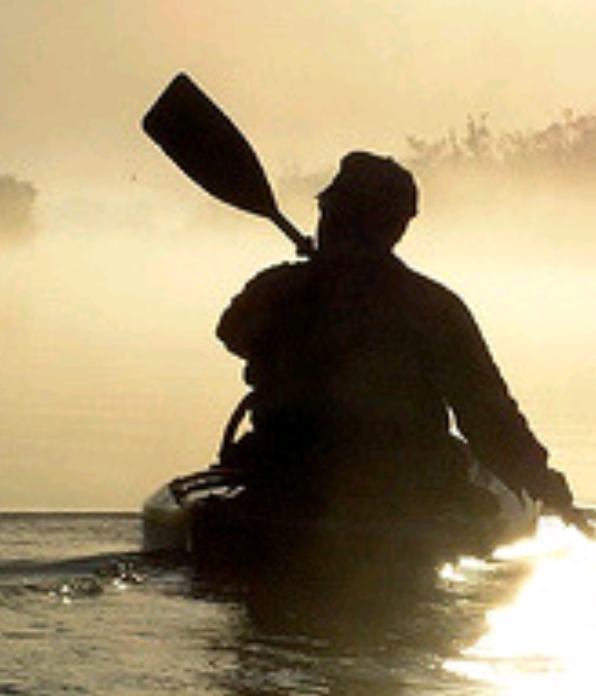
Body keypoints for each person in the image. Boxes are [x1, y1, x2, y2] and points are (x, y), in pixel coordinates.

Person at [215, 150, 577, 527]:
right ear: (396, 229)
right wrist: (542, 482)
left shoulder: (278, 289)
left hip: (288, 474)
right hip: (399, 484)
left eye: (328, 212)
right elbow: (486, 414)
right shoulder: (434, 306)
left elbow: (231, 334)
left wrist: (310, 276)